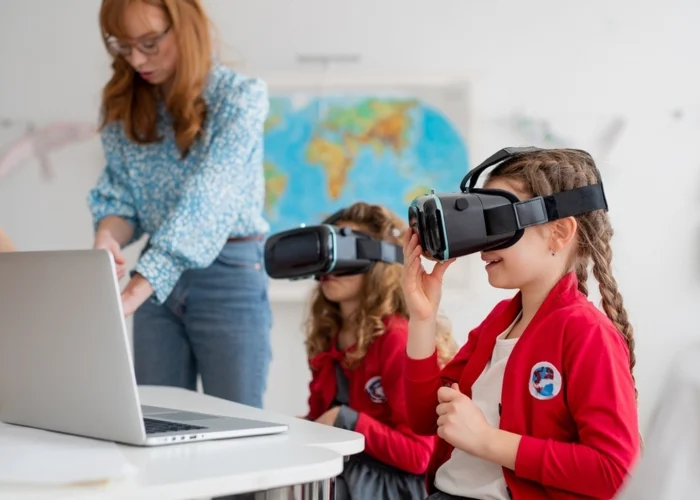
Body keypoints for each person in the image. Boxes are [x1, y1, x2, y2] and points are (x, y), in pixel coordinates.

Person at [401, 149, 641, 499]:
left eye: (498, 223)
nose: (484, 247)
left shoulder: (587, 333)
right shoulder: (500, 321)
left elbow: (615, 471)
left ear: (559, 232)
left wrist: (488, 441)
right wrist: (422, 318)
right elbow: (425, 420)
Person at [88, 0, 272, 408]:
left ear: (185, 26)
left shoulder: (239, 99)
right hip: (156, 275)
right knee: (155, 416)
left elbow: (208, 200)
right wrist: (107, 236)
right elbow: (120, 194)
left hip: (229, 271)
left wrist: (138, 287)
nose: (136, 59)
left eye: (150, 42)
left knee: (237, 424)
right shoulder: (124, 103)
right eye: (123, 45)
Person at [303, 201, 458, 500]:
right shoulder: (329, 335)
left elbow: (419, 456)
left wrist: (345, 420)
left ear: (379, 266)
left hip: (391, 484)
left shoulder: (396, 338)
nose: (331, 267)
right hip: (345, 472)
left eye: (347, 254)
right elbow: (318, 419)